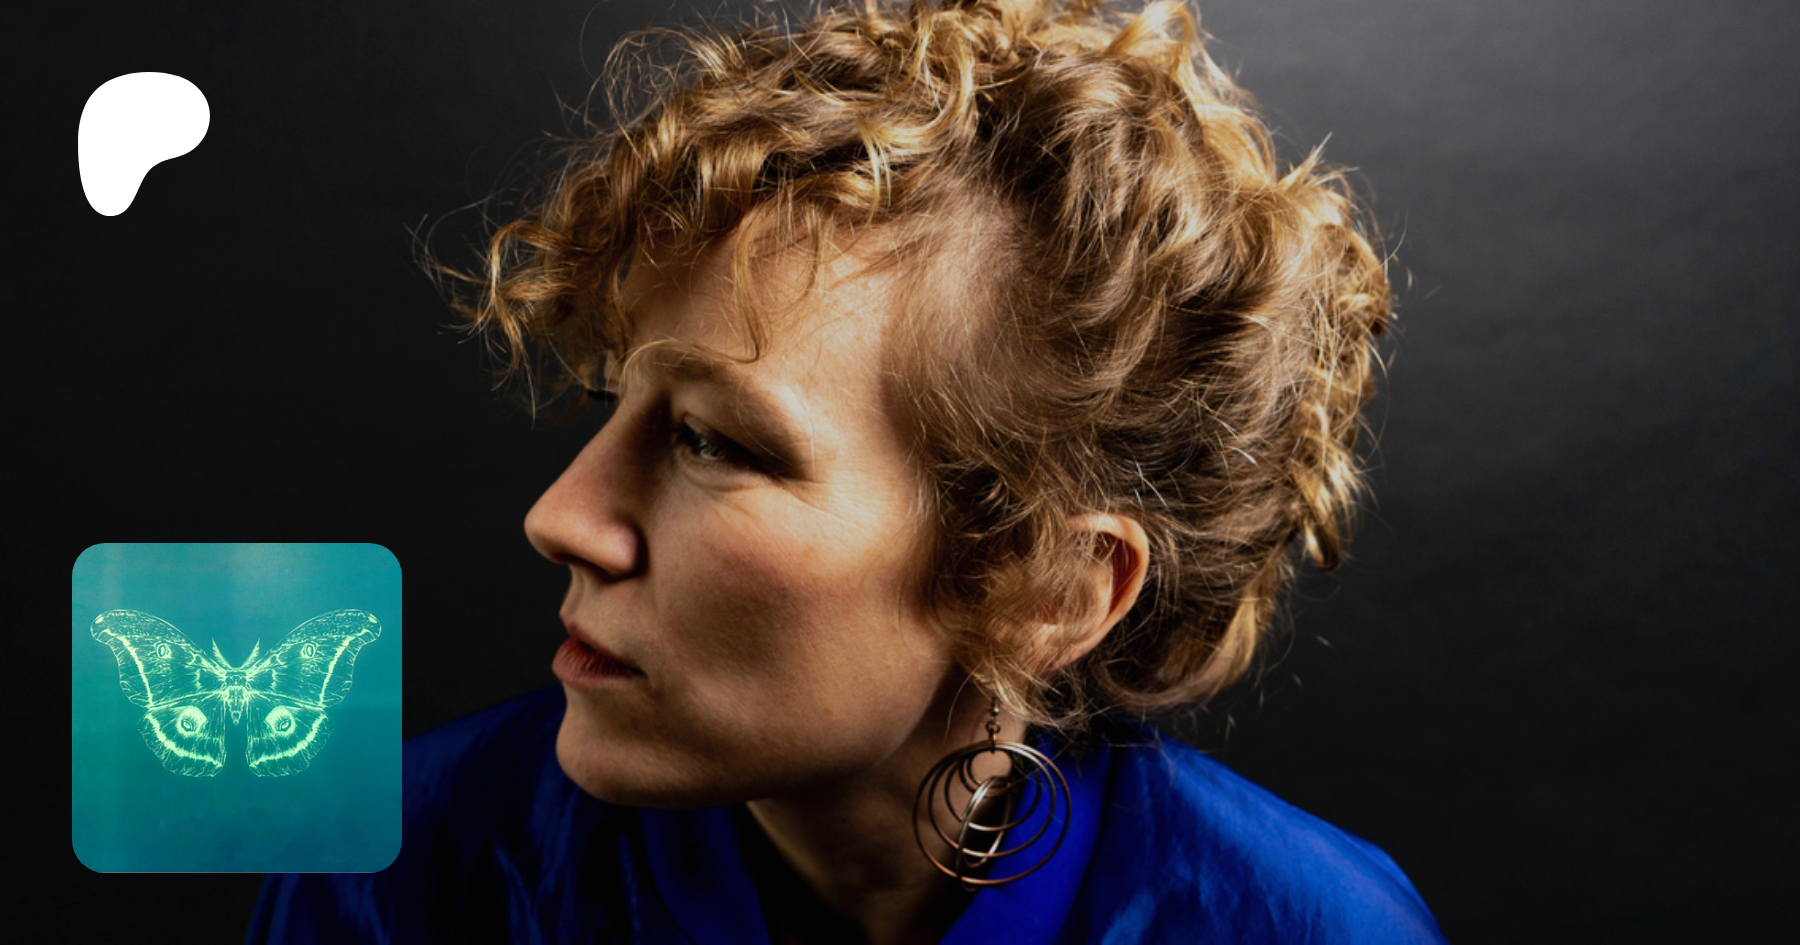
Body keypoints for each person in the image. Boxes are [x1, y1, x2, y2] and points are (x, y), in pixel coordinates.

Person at [249, 0, 1445, 941]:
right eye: (618, 400)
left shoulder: (1316, 930)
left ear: (1050, 587)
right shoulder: (397, 879)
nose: (561, 517)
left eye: (715, 442)